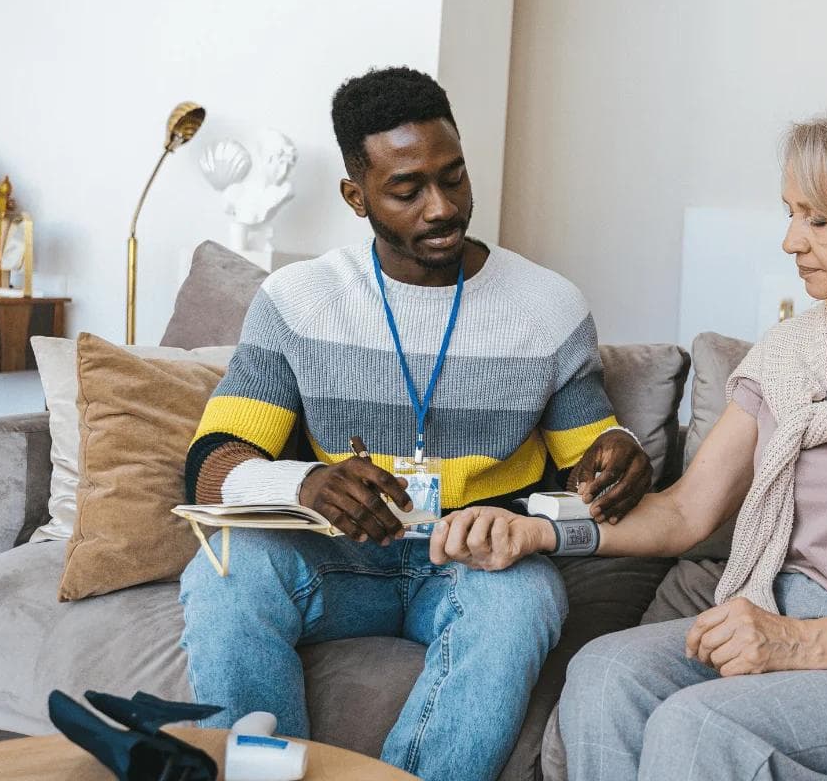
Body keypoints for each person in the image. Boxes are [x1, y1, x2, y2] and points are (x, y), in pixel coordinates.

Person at [431, 106, 827, 780]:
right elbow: (685, 512)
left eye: (819, 220)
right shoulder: (791, 353)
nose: (791, 241)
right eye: (791, 213)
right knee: (604, 670)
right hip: (782, 605)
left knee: (700, 723)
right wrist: (534, 529)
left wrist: (797, 644)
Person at [178, 66, 652, 781]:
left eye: (454, 177)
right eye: (407, 189)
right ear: (356, 195)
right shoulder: (297, 300)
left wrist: (622, 452)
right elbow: (213, 460)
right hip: (335, 559)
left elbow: (594, 448)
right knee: (224, 569)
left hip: (472, 562)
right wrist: (306, 483)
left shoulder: (547, 306)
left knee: (526, 597)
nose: (441, 207)